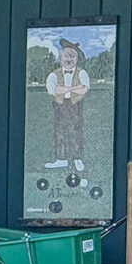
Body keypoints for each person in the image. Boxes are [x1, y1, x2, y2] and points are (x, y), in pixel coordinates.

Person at [45, 39, 90, 171]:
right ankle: (61, 159)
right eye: (66, 56)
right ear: (61, 57)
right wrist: (73, 88)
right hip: (59, 104)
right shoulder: (54, 74)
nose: (69, 59)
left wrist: (65, 88)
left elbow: (84, 89)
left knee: (76, 130)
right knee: (59, 130)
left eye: (72, 56)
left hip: (76, 104)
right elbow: (54, 90)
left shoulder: (82, 73)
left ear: (76, 59)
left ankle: (77, 159)